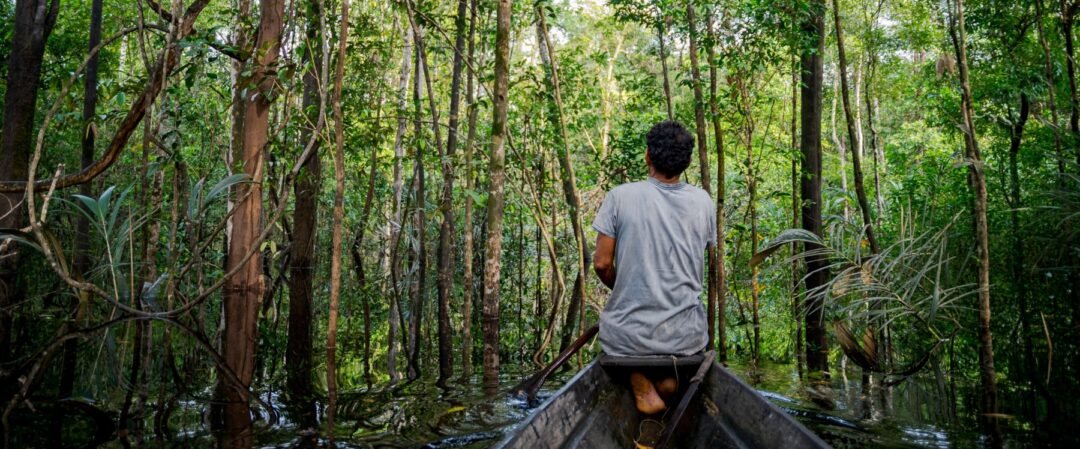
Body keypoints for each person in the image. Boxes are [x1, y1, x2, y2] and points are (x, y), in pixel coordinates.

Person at [591, 120, 716, 415]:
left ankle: (641, 384)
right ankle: (666, 381)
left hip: (629, 339)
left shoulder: (620, 196)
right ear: (687, 162)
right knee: (669, 372)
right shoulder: (703, 202)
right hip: (686, 337)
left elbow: (602, 263)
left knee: (616, 334)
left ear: (648, 156)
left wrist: (627, 289)